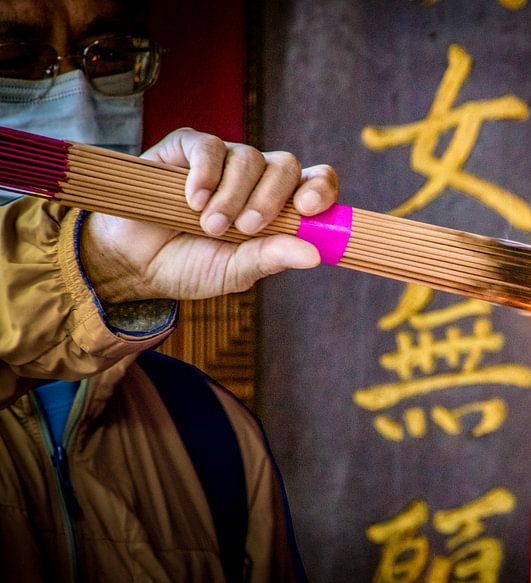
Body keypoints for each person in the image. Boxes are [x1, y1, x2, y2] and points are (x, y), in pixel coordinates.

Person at [0, 0, 339, 580]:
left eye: (106, 56)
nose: (79, 116)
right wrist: (91, 263)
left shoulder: (212, 435)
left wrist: (110, 266)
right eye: (12, 55)